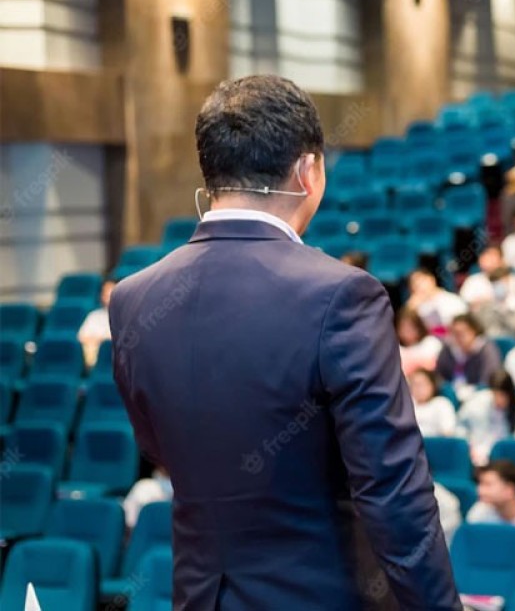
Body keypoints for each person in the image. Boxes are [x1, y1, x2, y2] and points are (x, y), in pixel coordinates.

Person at [110, 75, 459, 608]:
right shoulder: (342, 295)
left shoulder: (133, 297)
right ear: (307, 171)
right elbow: (392, 489)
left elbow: (158, 447)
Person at [457, 371, 515, 466]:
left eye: (503, 395)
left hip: (508, 459)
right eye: (495, 394)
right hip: (477, 456)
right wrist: (469, 446)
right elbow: (460, 427)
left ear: (510, 393)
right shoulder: (477, 401)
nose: (498, 399)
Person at [459, 245, 515, 335]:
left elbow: (513, 303)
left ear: (501, 260)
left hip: (508, 320)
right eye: (485, 255)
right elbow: (467, 304)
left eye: (493, 256)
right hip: (481, 322)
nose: (488, 259)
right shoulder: (473, 280)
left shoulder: (511, 278)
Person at [435, 314, 502, 395]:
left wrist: (474, 390)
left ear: (473, 331)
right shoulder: (448, 350)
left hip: (479, 394)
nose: (458, 337)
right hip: (454, 394)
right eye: (454, 333)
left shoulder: (486, 350)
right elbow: (439, 376)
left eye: (461, 333)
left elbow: (489, 378)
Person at [405, 268, 467, 336]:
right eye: (415, 285)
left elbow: (461, 327)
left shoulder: (452, 300)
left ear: (432, 279)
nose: (420, 287)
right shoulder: (417, 308)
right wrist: (410, 309)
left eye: (421, 282)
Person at [77, 276, 115, 368]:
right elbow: (81, 337)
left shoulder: (128, 316)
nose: (108, 296)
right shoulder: (94, 316)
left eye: (111, 292)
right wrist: (101, 340)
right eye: (105, 293)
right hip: (95, 360)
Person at [408, 369, 458, 438]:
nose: (418, 389)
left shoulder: (441, 404)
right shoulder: (407, 406)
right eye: (414, 385)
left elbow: (448, 433)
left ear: (431, 385)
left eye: (421, 384)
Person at [397, 308, 443, 377]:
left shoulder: (431, 343)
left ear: (418, 327)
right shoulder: (398, 350)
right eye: (403, 327)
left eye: (411, 327)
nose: (407, 331)